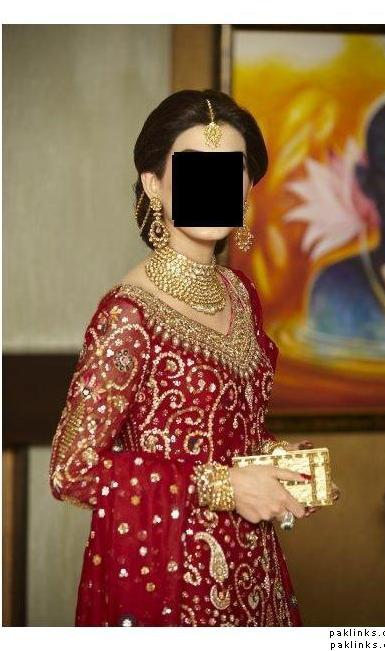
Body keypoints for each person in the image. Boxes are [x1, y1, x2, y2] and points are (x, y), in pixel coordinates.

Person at [48, 89, 340, 627]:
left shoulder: (240, 295)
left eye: (230, 172)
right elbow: (72, 470)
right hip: (176, 585)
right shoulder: (129, 314)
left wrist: (272, 461)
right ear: (153, 184)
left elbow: (226, 435)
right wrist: (224, 486)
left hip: (258, 574)